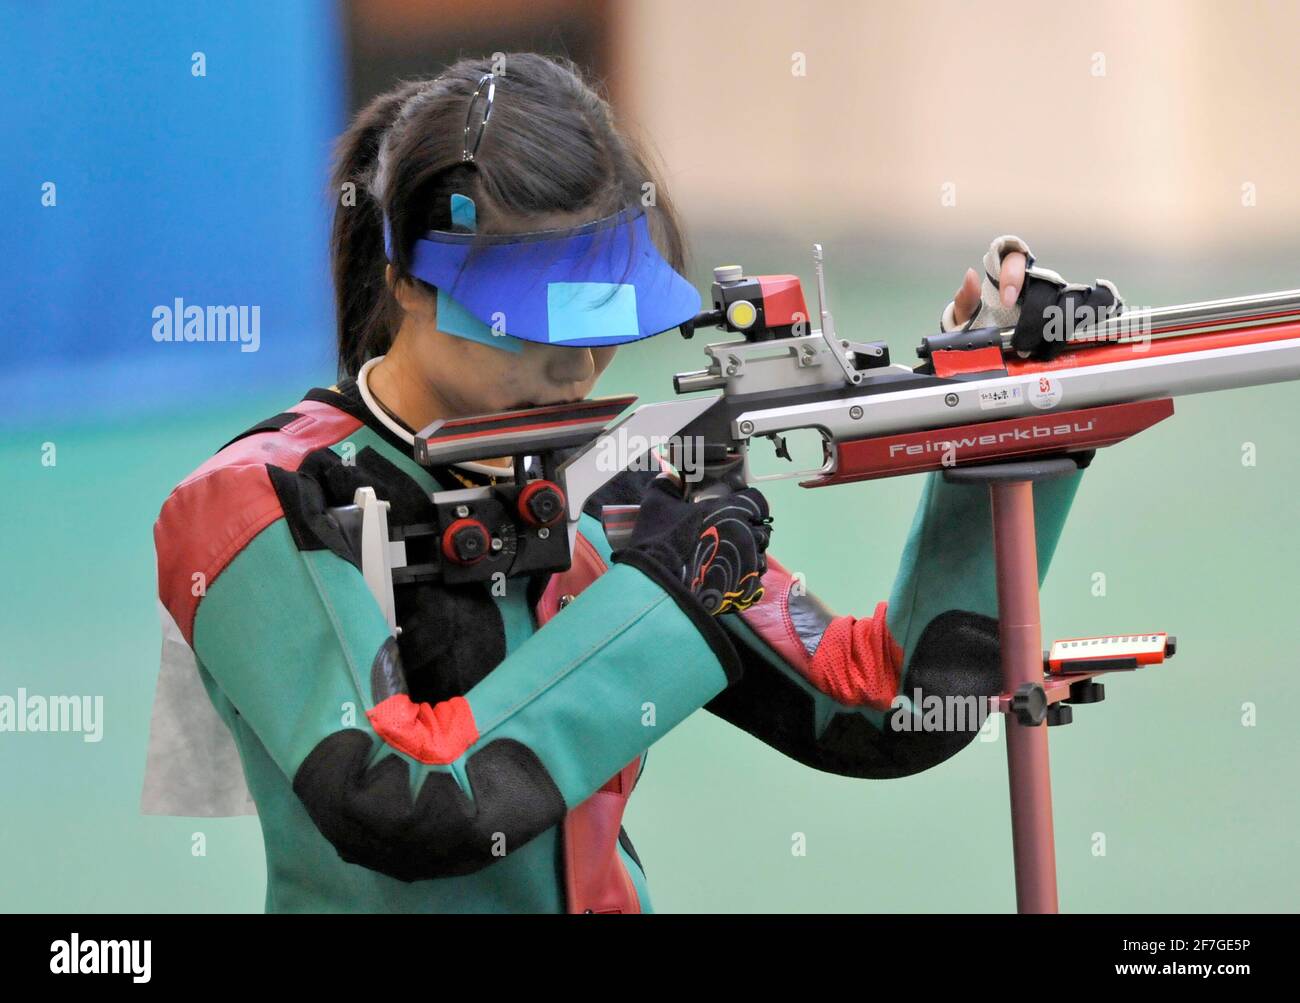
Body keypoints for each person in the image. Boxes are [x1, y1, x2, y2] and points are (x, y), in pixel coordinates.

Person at [141, 52, 1116, 913]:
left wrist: (998, 429)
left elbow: (883, 707)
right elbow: (406, 798)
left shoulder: (614, 481)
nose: (577, 367)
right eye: (528, 322)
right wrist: (664, 597)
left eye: (601, 319)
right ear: (406, 277)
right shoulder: (255, 504)